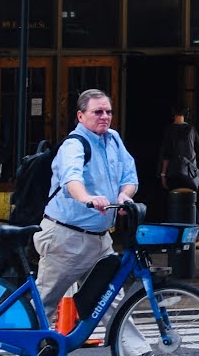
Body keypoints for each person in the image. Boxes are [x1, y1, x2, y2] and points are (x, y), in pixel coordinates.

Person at [35, 89, 138, 320]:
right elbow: (72, 179)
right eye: (97, 112)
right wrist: (87, 199)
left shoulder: (113, 139)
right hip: (67, 238)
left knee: (111, 299)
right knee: (45, 303)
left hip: (100, 239)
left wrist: (124, 196)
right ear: (81, 116)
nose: (105, 116)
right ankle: (20, 348)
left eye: (108, 111)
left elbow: (130, 177)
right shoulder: (74, 145)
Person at [158, 109, 199, 194]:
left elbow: (166, 155)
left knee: (174, 201)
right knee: (189, 200)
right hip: (190, 173)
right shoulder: (192, 129)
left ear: (173, 115)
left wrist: (163, 174)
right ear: (186, 115)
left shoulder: (169, 130)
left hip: (173, 172)